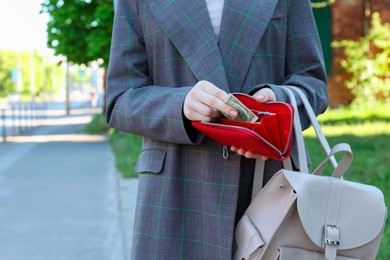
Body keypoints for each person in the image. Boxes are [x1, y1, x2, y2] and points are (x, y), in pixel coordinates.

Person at [106, 0, 328, 259]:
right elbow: (120, 98)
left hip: (271, 183)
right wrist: (180, 106)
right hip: (175, 189)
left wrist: (274, 106)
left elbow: (313, 83)